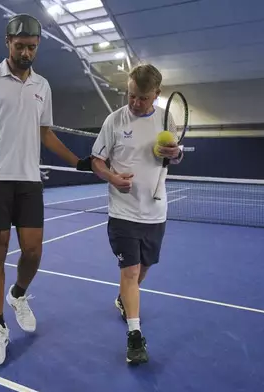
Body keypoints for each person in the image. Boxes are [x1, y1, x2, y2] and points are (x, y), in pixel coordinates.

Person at [0, 13, 92, 366]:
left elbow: (45, 133)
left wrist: (78, 161)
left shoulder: (42, 86)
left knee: (32, 252)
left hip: (29, 180)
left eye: (32, 47)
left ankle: (19, 294)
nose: (27, 53)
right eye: (21, 46)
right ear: (7, 43)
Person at [90, 63, 184, 364]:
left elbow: (175, 156)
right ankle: (134, 336)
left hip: (156, 211)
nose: (135, 103)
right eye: (131, 96)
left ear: (156, 94)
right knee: (129, 272)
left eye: (143, 98)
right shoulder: (114, 121)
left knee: (143, 268)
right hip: (123, 212)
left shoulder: (167, 119)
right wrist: (113, 178)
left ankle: (124, 299)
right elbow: (96, 161)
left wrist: (176, 154)